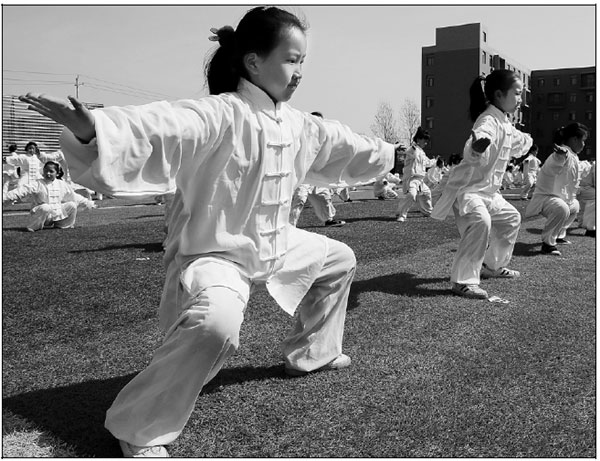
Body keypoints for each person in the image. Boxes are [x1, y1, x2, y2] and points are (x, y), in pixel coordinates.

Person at [19, 6, 394, 457]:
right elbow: (159, 125)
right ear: (253, 62)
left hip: (276, 243)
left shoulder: (299, 125)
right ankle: (137, 429)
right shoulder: (218, 114)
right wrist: (91, 129)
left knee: (339, 260)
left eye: (302, 62)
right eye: (291, 60)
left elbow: (347, 145)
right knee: (217, 325)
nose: (299, 73)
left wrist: (393, 153)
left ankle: (312, 353)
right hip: (218, 253)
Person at [431, 69, 532, 299]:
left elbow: (519, 142)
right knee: (480, 222)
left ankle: (492, 266)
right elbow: (474, 142)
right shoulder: (488, 120)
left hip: (489, 194)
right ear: (499, 94)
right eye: (516, 94)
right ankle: (462, 281)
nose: (520, 100)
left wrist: (528, 140)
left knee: (511, 218)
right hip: (468, 191)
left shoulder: (504, 122)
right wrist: (475, 148)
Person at [525, 123, 589, 255]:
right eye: (583, 141)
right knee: (562, 209)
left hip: (559, 198)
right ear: (574, 139)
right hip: (546, 198)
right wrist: (559, 156)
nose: (584, 145)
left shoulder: (573, 156)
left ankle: (559, 235)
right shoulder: (562, 153)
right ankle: (547, 244)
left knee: (575, 206)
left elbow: (578, 174)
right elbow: (555, 164)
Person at [289, 112, 347, 228]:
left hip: (317, 175)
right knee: (300, 198)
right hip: (304, 175)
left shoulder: (325, 140)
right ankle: (290, 227)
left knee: (324, 196)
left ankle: (329, 219)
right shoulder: (301, 137)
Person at [2, 160, 96, 231]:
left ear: (57, 173)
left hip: (57, 215)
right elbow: (19, 192)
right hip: (42, 215)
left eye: (51, 171)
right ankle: (34, 227)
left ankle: (64, 225)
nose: (48, 173)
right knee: (45, 207)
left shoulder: (62, 184)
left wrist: (89, 203)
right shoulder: (37, 183)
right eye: (46, 171)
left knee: (72, 205)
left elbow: (74, 197)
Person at [395, 127, 437, 222]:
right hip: (412, 179)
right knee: (411, 195)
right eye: (424, 141)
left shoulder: (422, 152)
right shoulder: (412, 149)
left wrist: (435, 161)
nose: (426, 143)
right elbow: (411, 153)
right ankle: (401, 214)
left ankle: (427, 211)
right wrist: (413, 146)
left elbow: (427, 163)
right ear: (418, 139)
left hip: (420, 180)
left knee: (427, 194)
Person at [576, 159, 595, 237]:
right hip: (587, 188)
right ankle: (590, 229)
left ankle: (581, 223)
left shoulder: (581, 163)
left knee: (582, 206)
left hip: (577, 188)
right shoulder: (594, 164)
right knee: (593, 203)